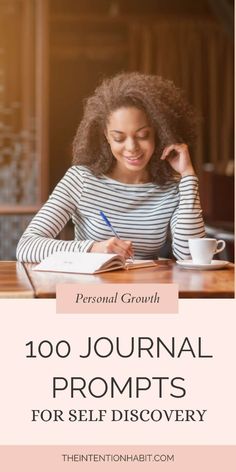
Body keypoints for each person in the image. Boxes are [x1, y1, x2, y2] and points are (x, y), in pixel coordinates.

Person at [16, 72, 205, 263]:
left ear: (159, 132)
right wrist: (93, 248)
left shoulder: (172, 188)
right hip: (88, 291)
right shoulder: (81, 179)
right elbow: (27, 246)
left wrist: (188, 175)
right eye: (119, 138)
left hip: (149, 291)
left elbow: (190, 256)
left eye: (142, 135)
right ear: (106, 136)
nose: (131, 147)